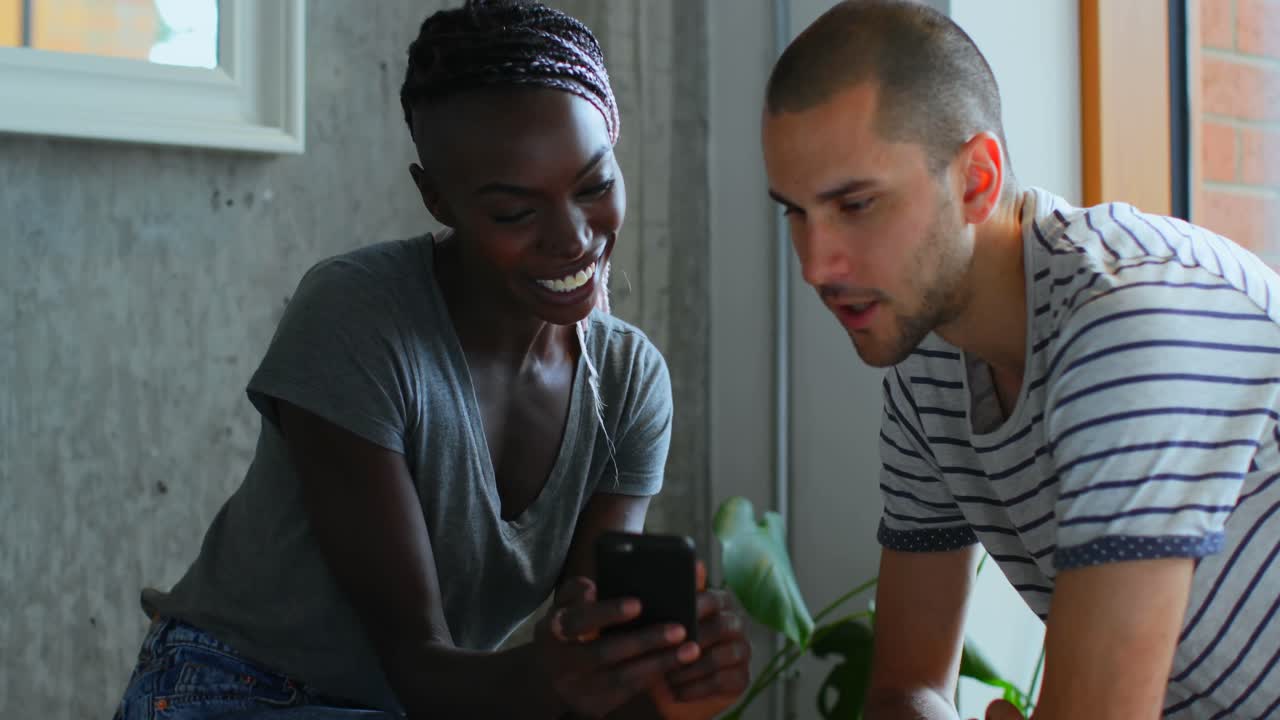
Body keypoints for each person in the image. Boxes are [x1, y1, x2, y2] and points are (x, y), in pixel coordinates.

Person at [112, 2, 750, 718]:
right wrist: (560, 677)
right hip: (234, 689)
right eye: (515, 212)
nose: (573, 239)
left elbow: (572, 678)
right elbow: (420, 668)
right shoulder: (357, 319)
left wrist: (660, 681)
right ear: (437, 197)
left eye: (594, 186)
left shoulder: (631, 384)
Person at [761, 1, 1280, 718]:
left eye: (856, 205)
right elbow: (903, 690)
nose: (817, 265)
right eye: (795, 211)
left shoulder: (1130, 318)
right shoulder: (929, 360)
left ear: (976, 179)